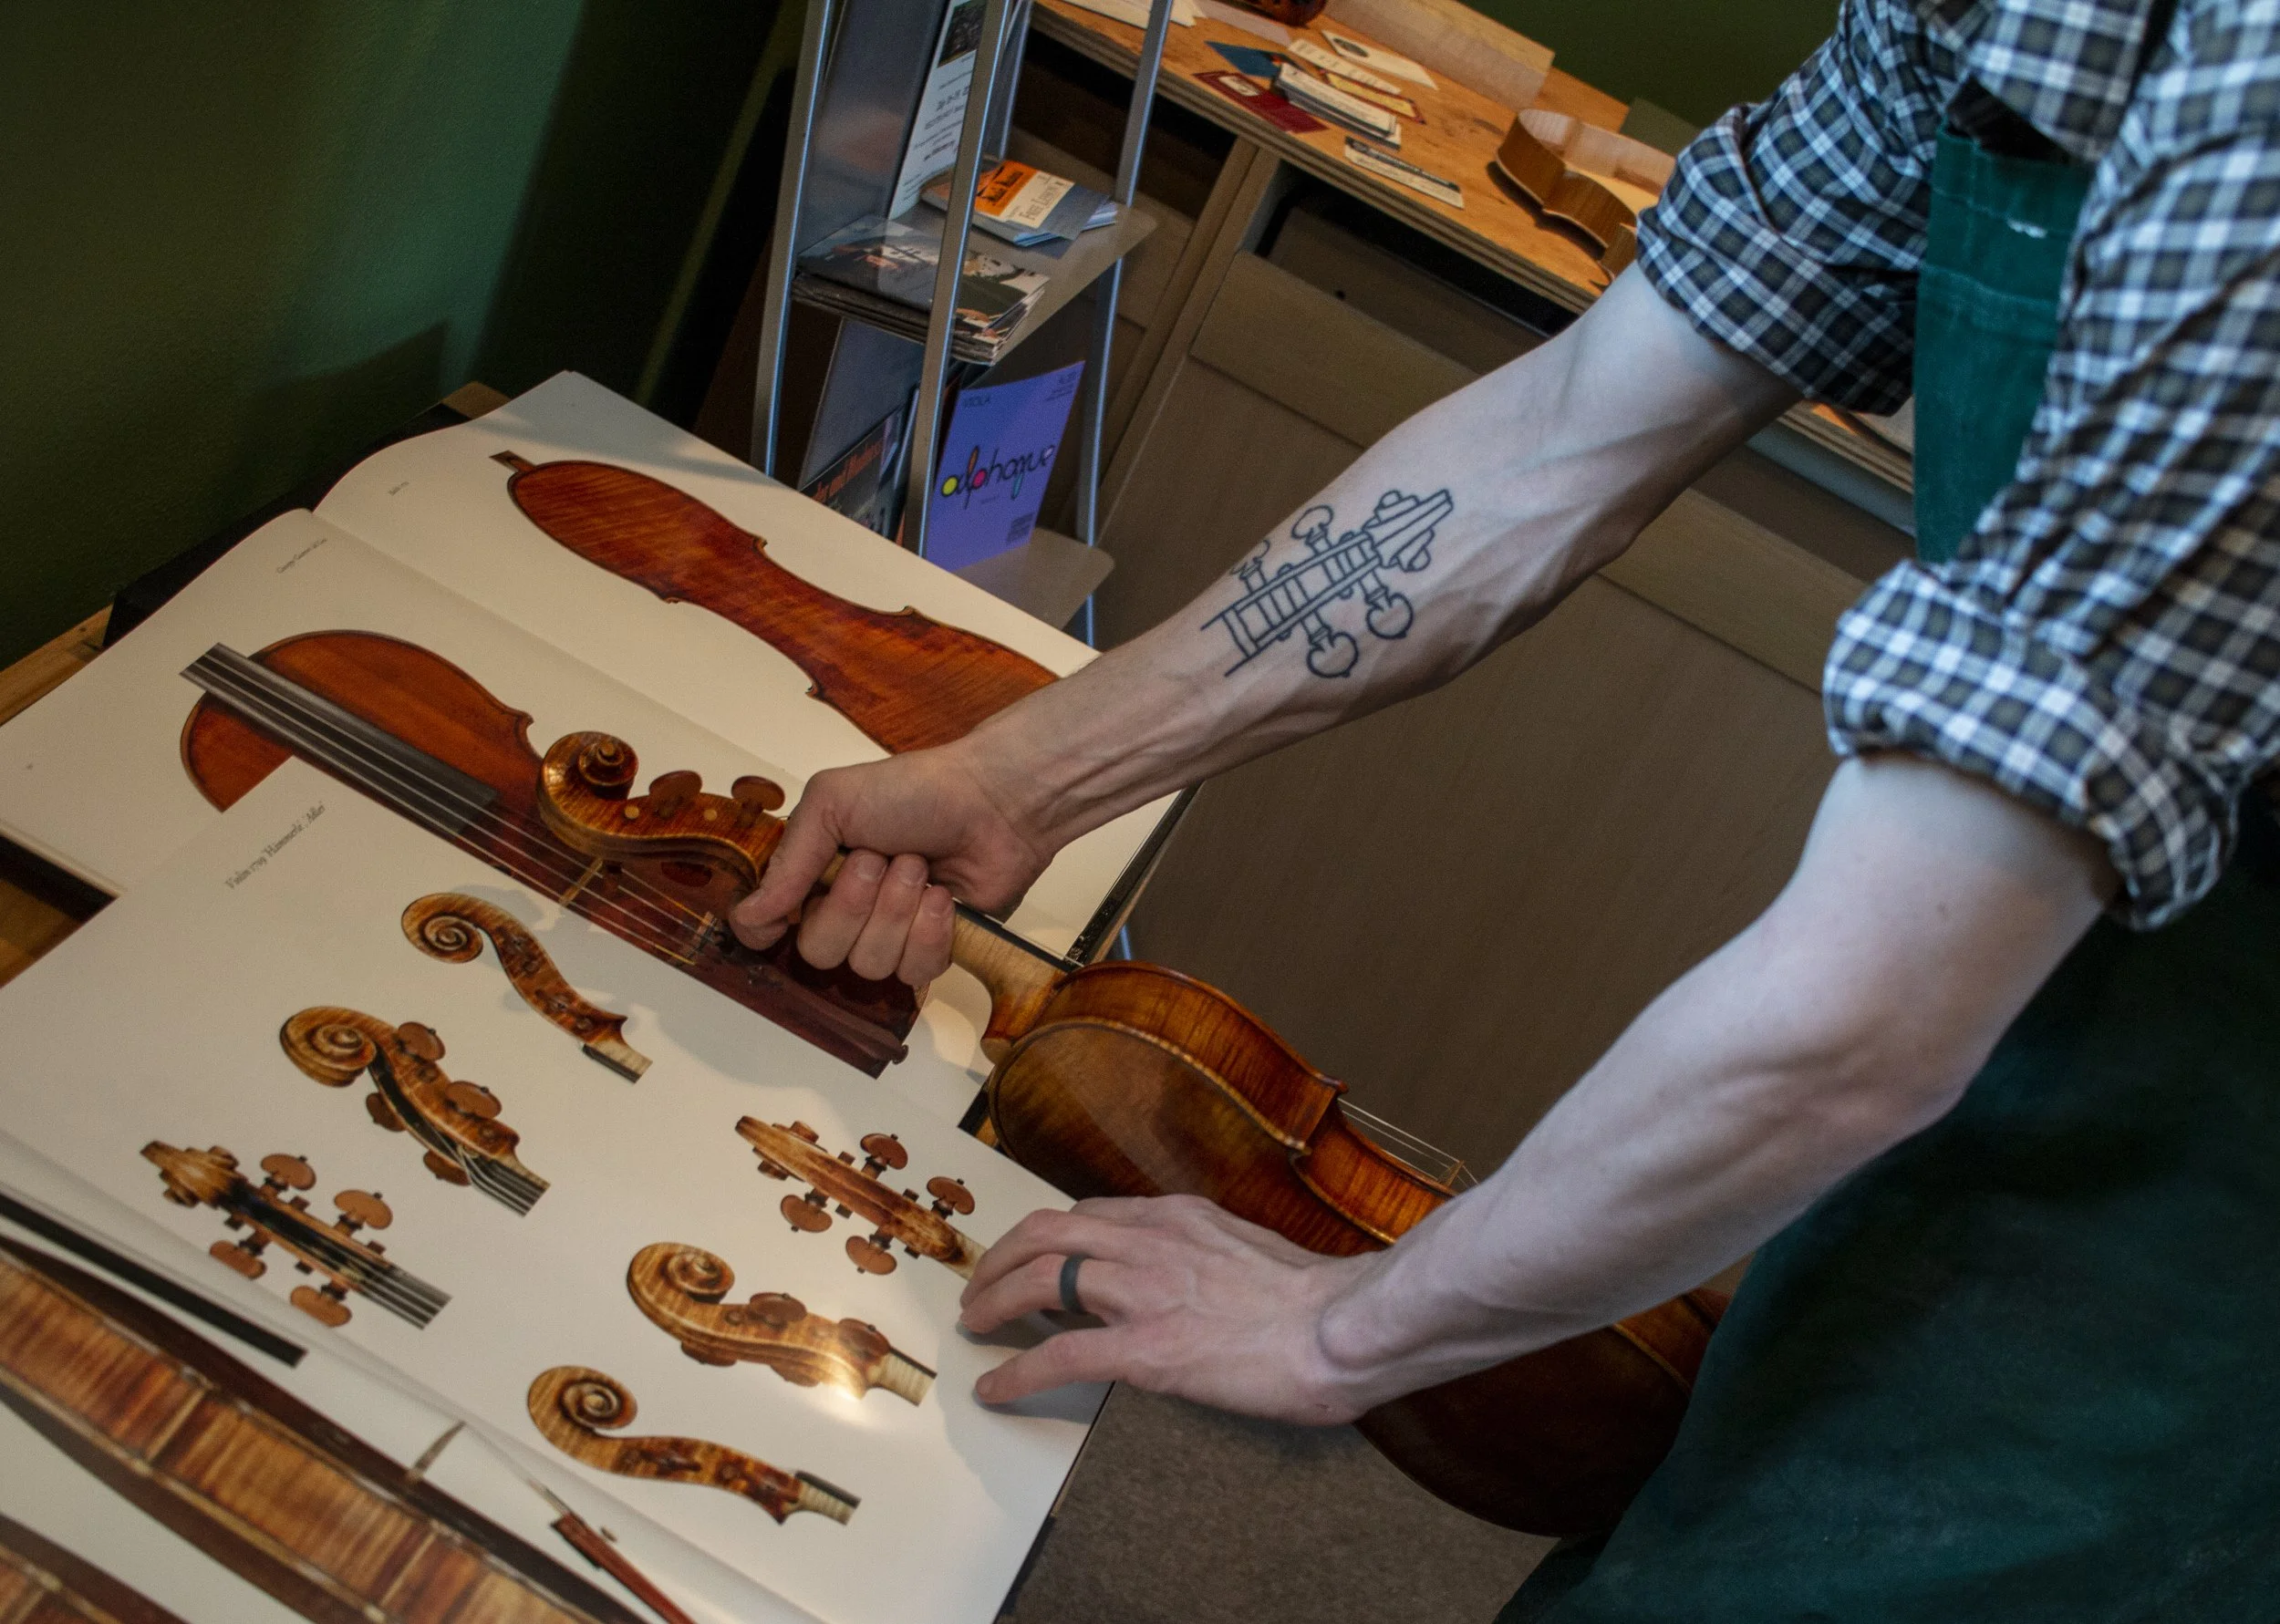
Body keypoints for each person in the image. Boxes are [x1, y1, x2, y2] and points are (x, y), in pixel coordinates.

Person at [733, 0, 2280, 1611]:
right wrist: (1017, 780)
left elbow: (1862, 1014)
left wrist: (1345, 1330)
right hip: (2038, 979)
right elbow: (1561, 441)